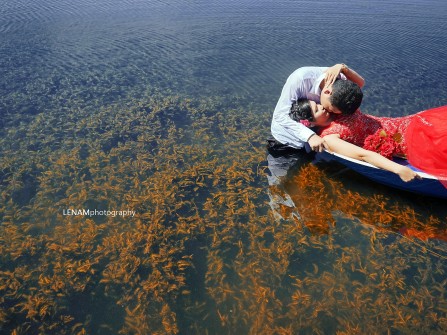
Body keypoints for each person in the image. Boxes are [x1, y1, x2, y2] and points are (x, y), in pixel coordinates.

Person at [289, 99, 447, 182]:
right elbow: (363, 155)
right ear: (310, 123)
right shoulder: (330, 139)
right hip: (404, 141)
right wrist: (398, 169)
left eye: (317, 103)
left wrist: (341, 67)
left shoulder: (336, 107)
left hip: (403, 123)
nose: (321, 106)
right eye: (316, 109)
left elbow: (357, 86)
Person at [271, 64, 365, 152]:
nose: (328, 111)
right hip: (285, 138)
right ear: (327, 92)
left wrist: (344, 68)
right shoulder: (300, 80)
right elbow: (280, 115)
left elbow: (359, 84)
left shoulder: (343, 83)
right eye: (330, 109)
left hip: (314, 138)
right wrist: (310, 136)